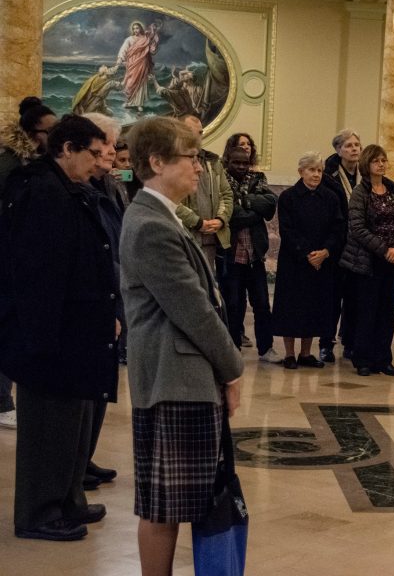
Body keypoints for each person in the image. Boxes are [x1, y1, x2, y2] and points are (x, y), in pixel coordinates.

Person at [119, 116, 243, 575]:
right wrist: (234, 368)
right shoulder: (152, 224)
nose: (199, 167)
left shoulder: (160, 215)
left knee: (173, 499)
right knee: (164, 504)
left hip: (183, 378)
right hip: (176, 380)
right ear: (156, 162)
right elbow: (193, 310)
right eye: (191, 158)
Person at [0, 114, 113, 541]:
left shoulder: (69, 189)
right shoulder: (40, 191)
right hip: (49, 337)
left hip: (76, 331)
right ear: (67, 149)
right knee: (48, 427)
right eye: (93, 153)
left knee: (73, 424)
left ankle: (67, 500)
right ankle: (38, 513)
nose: (99, 162)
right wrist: (40, 340)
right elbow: (34, 273)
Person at [0, 97, 57, 430]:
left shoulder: (33, 163)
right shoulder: (11, 164)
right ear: (35, 133)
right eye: (51, 131)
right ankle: (3, 401)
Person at [81, 112, 129, 491]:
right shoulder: (81, 191)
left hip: (113, 287)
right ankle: (76, 464)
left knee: (100, 384)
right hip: (97, 295)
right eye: (108, 145)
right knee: (86, 386)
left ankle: (85, 457)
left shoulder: (110, 186)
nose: (114, 151)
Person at [339, 144, 394, 376]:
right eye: (376, 161)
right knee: (367, 310)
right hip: (367, 261)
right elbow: (357, 228)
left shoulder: (393, 190)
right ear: (367, 165)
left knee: (387, 310)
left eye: (384, 160)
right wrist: (384, 250)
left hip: (392, 259)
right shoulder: (361, 192)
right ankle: (363, 358)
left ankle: (383, 358)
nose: (381, 164)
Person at [272, 152, 344, 369]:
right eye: (312, 170)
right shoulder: (289, 197)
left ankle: (306, 353)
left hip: (321, 261)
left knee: (314, 307)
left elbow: (338, 228)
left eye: (319, 170)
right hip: (295, 261)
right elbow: (286, 229)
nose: (316, 174)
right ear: (301, 172)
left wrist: (325, 252)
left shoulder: (330, 198)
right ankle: (290, 354)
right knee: (292, 307)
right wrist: (307, 254)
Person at [220, 147, 282, 364]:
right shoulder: (222, 182)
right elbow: (229, 215)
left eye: (245, 163)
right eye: (236, 162)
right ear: (228, 161)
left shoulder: (258, 179)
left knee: (263, 304)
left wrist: (243, 203)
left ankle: (266, 348)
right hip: (232, 254)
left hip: (255, 254)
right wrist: (252, 211)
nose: (241, 167)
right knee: (234, 304)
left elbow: (269, 206)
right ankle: (233, 348)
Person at [320, 129, 361, 363]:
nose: (354, 149)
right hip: (337, 244)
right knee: (332, 298)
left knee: (354, 297)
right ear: (338, 150)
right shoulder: (329, 175)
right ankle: (326, 343)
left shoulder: (364, 174)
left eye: (357, 145)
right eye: (349, 145)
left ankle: (349, 342)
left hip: (358, 246)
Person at [174, 113, 233, 273]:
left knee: (206, 286)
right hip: (184, 236)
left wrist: (220, 219)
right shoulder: (171, 160)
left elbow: (226, 194)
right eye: (194, 132)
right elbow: (170, 199)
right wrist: (197, 222)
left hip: (210, 239)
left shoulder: (212, 161)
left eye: (200, 132)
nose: (200, 136)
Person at [113, 21, 160, 111]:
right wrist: (118, 62)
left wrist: (154, 41)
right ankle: (129, 101)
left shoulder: (145, 38)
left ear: (141, 28)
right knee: (130, 83)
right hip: (132, 64)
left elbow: (151, 51)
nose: (135, 30)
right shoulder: (129, 39)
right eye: (134, 28)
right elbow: (123, 50)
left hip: (142, 63)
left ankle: (139, 103)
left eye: (137, 28)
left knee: (141, 82)